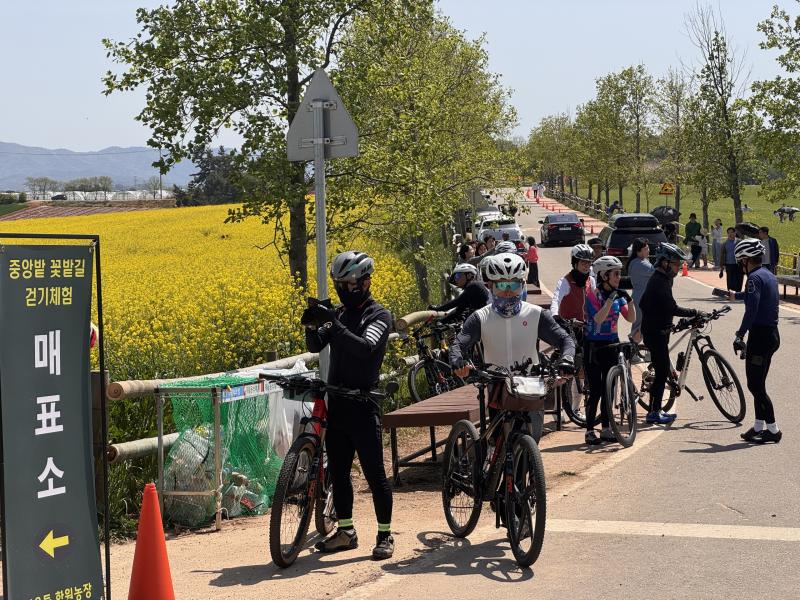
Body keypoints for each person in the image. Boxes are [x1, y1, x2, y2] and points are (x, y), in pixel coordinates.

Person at [301, 251, 395, 559]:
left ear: (366, 282)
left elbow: (365, 348)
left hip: (363, 404)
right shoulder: (339, 314)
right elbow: (317, 345)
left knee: (374, 474)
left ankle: (385, 535)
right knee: (338, 473)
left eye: (351, 283)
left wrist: (333, 324)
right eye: (340, 284)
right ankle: (346, 531)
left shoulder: (378, 315)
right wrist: (313, 325)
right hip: (337, 403)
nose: (346, 289)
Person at [449, 253, 576, 443]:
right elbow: (459, 343)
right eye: (501, 285)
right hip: (496, 385)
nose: (508, 291)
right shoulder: (480, 317)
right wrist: (458, 362)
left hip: (530, 386)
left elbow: (565, 340)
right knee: (499, 442)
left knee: (531, 442)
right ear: (490, 285)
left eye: (514, 285)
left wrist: (567, 359)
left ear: (522, 285)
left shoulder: (536, 314)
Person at [639, 243, 702, 425]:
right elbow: (671, 307)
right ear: (665, 263)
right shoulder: (659, 281)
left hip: (660, 330)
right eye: (675, 264)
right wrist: (694, 311)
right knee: (661, 373)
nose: (678, 268)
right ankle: (654, 412)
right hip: (655, 332)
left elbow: (647, 303)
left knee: (662, 368)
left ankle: (655, 409)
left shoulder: (663, 279)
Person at [729, 239, 782, 443]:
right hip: (771, 335)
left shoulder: (752, 279)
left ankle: (773, 429)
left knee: (755, 386)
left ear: (746, 260)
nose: (741, 265)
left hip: (759, 337)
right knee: (758, 383)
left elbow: (753, 309)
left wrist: (739, 334)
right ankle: (759, 426)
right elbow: (758, 297)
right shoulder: (768, 275)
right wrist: (738, 295)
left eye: (741, 260)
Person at [583, 256, 636, 445]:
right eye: (615, 274)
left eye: (619, 273)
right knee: (596, 390)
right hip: (593, 346)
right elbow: (598, 319)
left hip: (612, 344)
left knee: (610, 389)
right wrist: (610, 299)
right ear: (604, 275)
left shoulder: (617, 295)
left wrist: (629, 301)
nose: (618, 277)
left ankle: (606, 428)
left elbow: (630, 318)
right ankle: (589, 430)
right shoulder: (592, 295)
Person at [551, 244, 595, 320]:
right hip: (568, 327)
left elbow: (596, 301)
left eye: (589, 262)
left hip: (588, 327)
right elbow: (556, 300)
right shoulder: (565, 281)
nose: (586, 265)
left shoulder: (591, 280)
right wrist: (555, 315)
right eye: (583, 262)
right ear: (575, 263)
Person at [627, 238, 654, 344]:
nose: (649, 250)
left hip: (641, 297)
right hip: (642, 298)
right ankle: (632, 350)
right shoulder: (641, 264)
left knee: (644, 325)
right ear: (638, 251)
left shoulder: (639, 261)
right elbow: (656, 272)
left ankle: (645, 351)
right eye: (646, 249)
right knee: (640, 326)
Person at [718, 227, 743, 292]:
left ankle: (738, 293)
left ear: (735, 233)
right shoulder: (725, 243)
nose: (730, 234)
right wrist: (721, 267)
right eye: (728, 233)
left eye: (731, 232)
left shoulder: (739, 242)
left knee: (739, 279)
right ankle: (730, 292)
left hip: (738, 264)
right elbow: (722, 255)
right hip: (729, 264)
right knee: (730, 280)